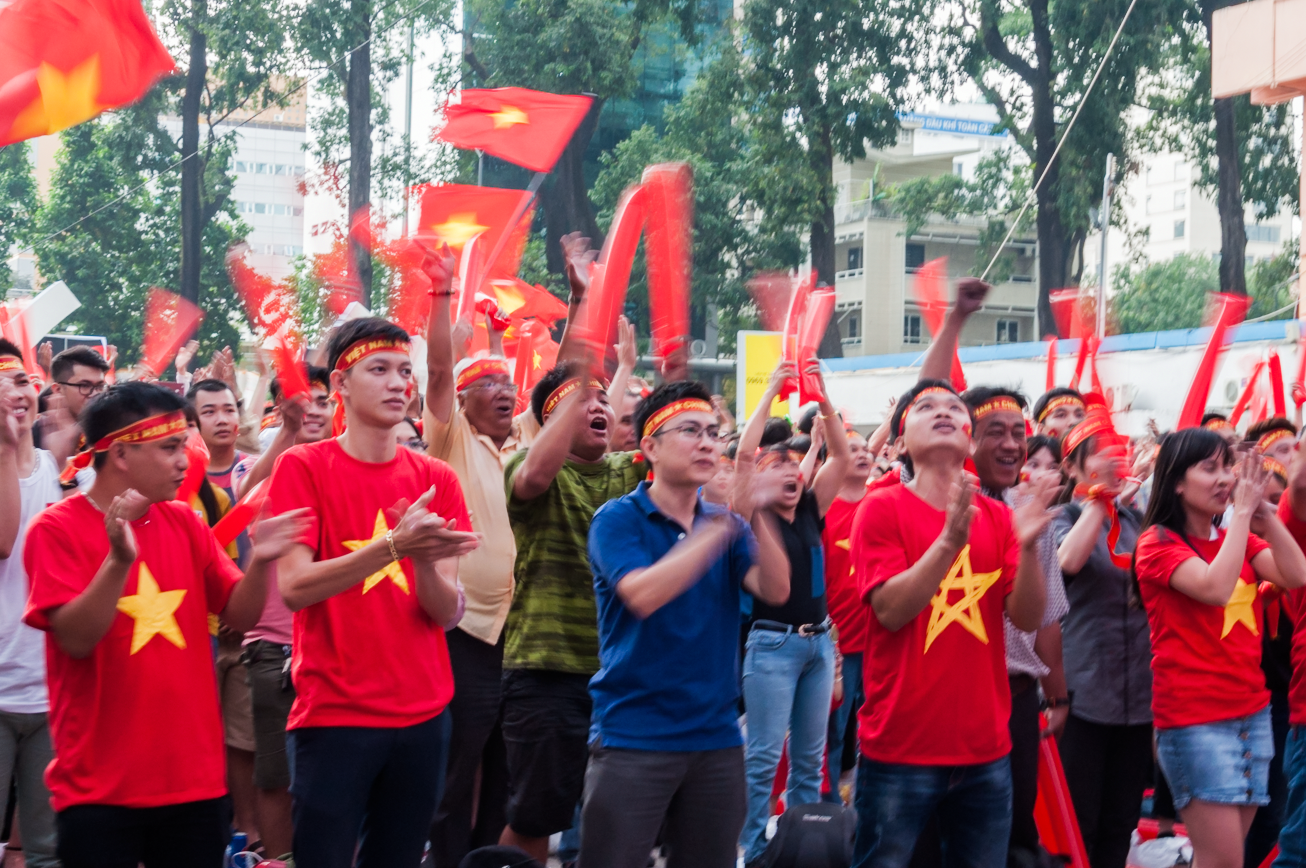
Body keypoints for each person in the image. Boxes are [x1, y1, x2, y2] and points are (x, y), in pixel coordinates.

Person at [22, 380, 303, 868]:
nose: (183, 461)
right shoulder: (56, 528)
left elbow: (240, 614)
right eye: (170, 447)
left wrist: (262, 561)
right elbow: (76, 640)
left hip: (193, 784)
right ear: (123, 454)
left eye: (185, 446)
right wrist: (118, 561)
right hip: (99, 789)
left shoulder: (184, 522)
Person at [268, 317, 479, 868]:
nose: (397, 384)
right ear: (340, 384)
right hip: (335, 713)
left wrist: (428, 563)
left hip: (424, 715)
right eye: (378, 370)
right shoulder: (303, 466)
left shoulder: (437, 478)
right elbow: (294, 588)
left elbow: (447, 613)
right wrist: (394, 546)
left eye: (405, 371)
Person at [580, 380, 792, 868]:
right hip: (634, 735)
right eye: (690, 431)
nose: (707, 443)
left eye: (713, 433)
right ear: (649, 446)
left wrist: (755, 512)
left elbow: (776, 590)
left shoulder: (730, 524)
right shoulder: (618, 520)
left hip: (714, 736)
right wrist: (713, 529)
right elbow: (643, 594)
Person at [849, 379, 1055, 868]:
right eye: (925, 407)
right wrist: (948, 542)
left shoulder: (1000, 518)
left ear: (967, 437)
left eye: (953, 407)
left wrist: (1026, 547)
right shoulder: (880, 508)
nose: (943, 411)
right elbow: (890, 611)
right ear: (900, 444)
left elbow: (1025, 618)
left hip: (985, 750)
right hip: (901, 750)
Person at [497, 360, 648, 864]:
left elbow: (675, 458)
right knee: (535, 818)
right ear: (550, 422)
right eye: (583, 401)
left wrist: (634, 373)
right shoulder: (527, 466)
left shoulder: (627, 473)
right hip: (546, 672)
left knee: (619, 817)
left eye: (605, 400)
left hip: (620, 677)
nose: (600, 407)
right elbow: (537, 471)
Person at [1135, 427, 1306, 868]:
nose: (1225, 478)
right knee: (1224, 861)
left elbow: (1296, 573)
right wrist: (1244, 516)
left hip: (1251, 713)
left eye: (1227, 467)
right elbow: (1214, 587)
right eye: (1209, 468)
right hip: (1194, 721)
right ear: (1176, 481)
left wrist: (1265, 516)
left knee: (1225, 859)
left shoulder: (1238, 537)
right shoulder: (1156, 543)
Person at [421, 240, 532, 866]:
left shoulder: (511, 448)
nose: (502, 391)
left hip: (508, 638)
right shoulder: (450, 439)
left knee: (502, 773)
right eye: (486, 384)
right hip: (462, 634)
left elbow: (561, 397)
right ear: (460, 405)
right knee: (455, 773)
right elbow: (439, 371)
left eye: (506, 384)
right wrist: (442, 294)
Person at [736, 360, 850, 867]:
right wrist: (770, 392)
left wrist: (823, 401)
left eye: (793, 464)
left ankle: (807, 848)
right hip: (771, 646)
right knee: (761, 760)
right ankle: (753, 850)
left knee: (809, 760)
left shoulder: (808, 509)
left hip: (818, 645)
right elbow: (742, 454)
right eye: (776, 464)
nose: (789, 470)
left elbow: (841, 456)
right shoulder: (748, 520)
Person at [960, 385, 1069, 865]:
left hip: (1017, 696)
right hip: (952, 697)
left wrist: (1058, 696)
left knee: (1014, 831)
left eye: (1018, 433)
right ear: (965, 439)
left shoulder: (1032, 511)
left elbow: (1045, 619)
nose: (1010, 444)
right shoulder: (932, 507)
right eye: (994, 433)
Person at [229, 366, 326, 864]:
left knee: (329, 773)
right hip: (273, 646)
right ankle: (277, 858)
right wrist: (287, 434)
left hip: (332, 646)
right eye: (298, 402)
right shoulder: (254, 468)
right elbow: (245, 504)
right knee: (273, 772)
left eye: (322, 401)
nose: (312, 410)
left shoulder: (345, 469)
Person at [1052, 412, 1152, 868]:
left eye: (1118, 450)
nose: (1115, 460)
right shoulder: (1063, 516)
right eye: (1101, 454)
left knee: (1121, 822)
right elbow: (1065, 564)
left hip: (1137, 698)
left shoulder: (1136, 521)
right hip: (1084, 694)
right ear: (1072, 468)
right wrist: (1097, 502)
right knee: (1079, 821)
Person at [186, 376, 260, 844]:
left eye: (229, 408)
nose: (222, 419)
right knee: (196, 737)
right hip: (191, 629)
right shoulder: (178, 483)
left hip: (242, 627)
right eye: (209, 411)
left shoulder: (251, 470)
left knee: (242, 740)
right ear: (192, 424)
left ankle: (245, 834)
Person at [0, 343, 60, 868]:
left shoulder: (59, 470)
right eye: (3, 385)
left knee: (46, 850)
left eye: (22, 380)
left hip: (49, 692)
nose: (17, 394)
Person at [821, 426, 874, 805]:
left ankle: (871, 795)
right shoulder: (824, 510)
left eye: (866, 448)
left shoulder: (884, 500)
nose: (862, 453)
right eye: (851, 448)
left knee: (878, 724)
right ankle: (828, 804)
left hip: (881, 636)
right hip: (838, 638)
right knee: (835, 727)